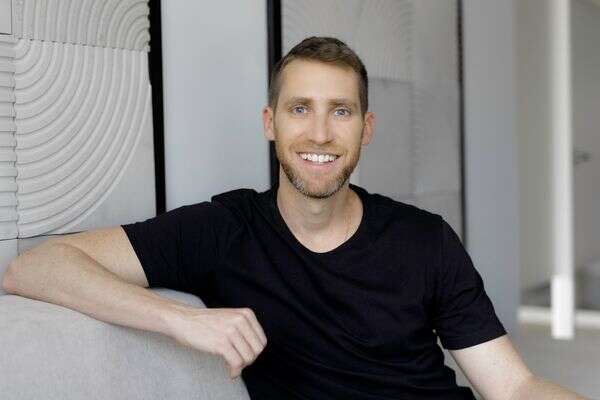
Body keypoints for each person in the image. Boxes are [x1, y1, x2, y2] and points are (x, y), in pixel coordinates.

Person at [2, 36, 586, 400]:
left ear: (366, 129)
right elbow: (34, 268)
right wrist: (180, 320)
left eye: (341, 112)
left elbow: (513, 386)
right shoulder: (223, 231)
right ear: (270, 123)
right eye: (300, 109)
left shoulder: (425, 239)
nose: (320, 134)